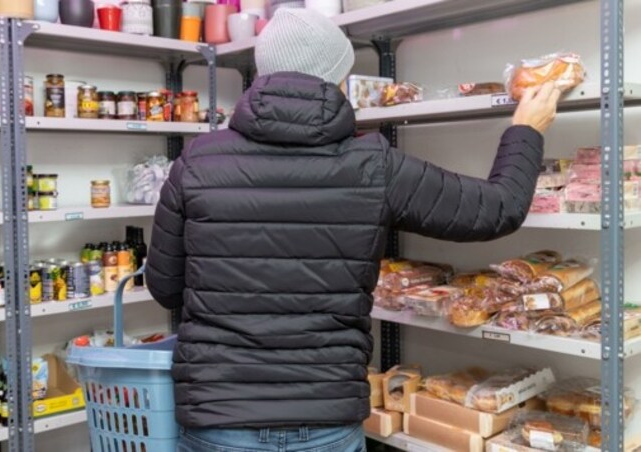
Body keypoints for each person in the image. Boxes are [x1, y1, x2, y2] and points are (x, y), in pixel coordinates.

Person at [146, 7, 560, 452]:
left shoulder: (198, 161)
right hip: (325, 417)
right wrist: (526, 131)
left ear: (261, 75)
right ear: (336, 80)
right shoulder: (373, 165)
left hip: (218, 416)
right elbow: (495, 210)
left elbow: (166, 287)